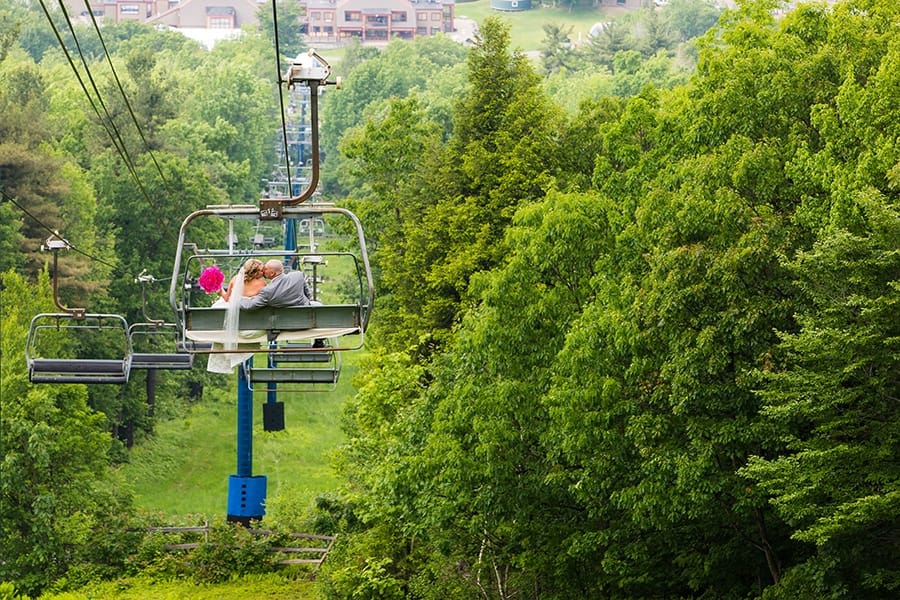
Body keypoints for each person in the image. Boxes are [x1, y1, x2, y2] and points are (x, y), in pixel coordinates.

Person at [240, 259, 313, 309]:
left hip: (283, 324)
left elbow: (249, 306)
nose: (263, 271)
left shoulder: (268, 291)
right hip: (305, 317)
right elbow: (308, 294)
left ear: (272, 273)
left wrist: (237, 299)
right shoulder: (298, 276)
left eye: (265, 269)